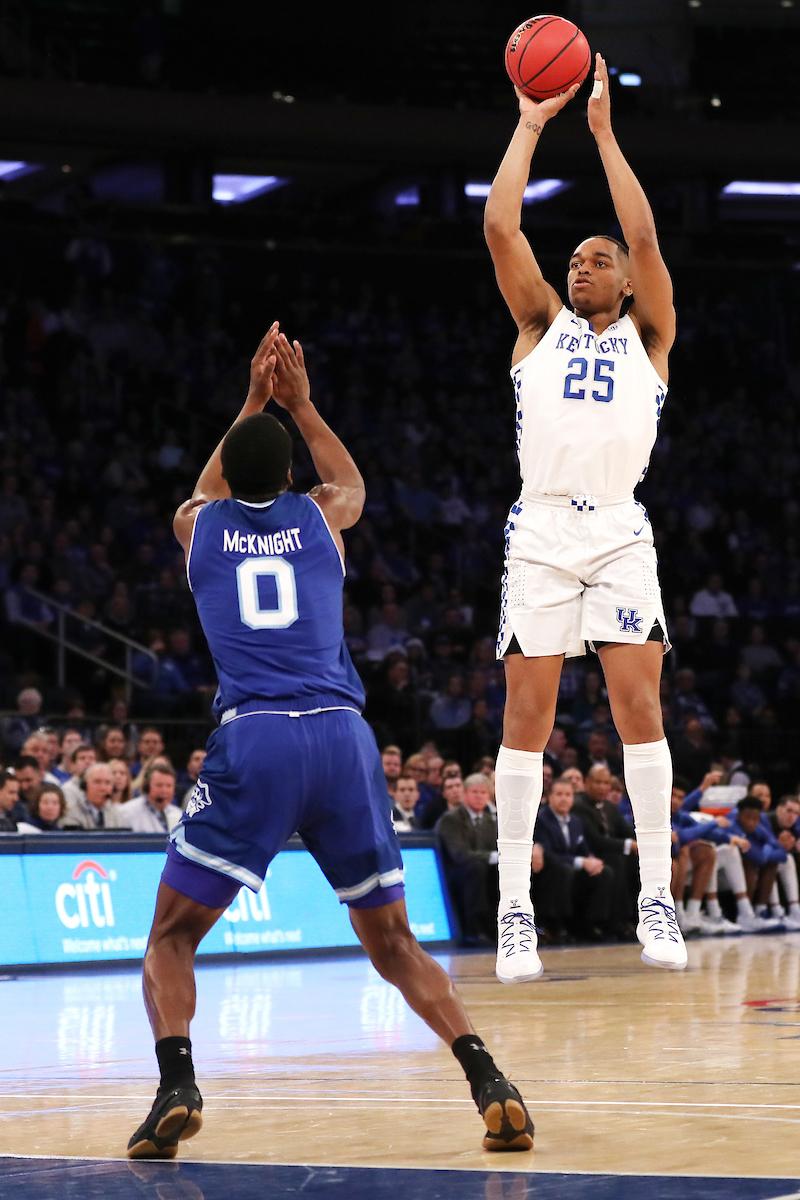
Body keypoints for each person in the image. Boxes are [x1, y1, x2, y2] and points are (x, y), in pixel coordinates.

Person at [128, 324, 534, 1160]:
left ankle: (177, 1084)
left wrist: (250, 401)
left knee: (171, 936)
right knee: (393, 940)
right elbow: (347, 477)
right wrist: (300, 403)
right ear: (289, 476)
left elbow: (206, 492)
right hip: (343, 739)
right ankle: (489, 1077)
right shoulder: (321, 520)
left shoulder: (196, 528)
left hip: (258, 739)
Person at [483, 53, 683, 980]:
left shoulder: (650, 337)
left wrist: (603, 135)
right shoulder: (540, 326)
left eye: (597, 259)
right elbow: (499, 225)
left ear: (628, 283)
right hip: (541, 533)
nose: (583, 264)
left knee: (637, 704)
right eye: (577, 259)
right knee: (529, 716)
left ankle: (657, 896)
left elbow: (643, 234)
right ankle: (512, 908)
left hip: (619, 530)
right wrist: (531, 123)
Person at [436, 773, 499, 948]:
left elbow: (495, 849)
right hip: (455, 873)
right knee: (476, 868)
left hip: (481, 871)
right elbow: (460, 855)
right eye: (475, 792)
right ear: (465, 794)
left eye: (483, 793)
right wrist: (494, 857)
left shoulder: (490, 821)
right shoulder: (451, 819)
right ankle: (473, 930)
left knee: (502, 871)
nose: (479, 796)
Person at [61, 762, 131, 830]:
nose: (103, 788)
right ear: (85, 786)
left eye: (107, 783)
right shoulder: (71, 814)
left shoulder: (116, 815)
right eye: (97, 782)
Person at [120, 763, 182, 833]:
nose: (165, 791)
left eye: (169, 786)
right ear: (147, 787)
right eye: (159, 785)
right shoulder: (127, 812)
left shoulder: (178, 814)